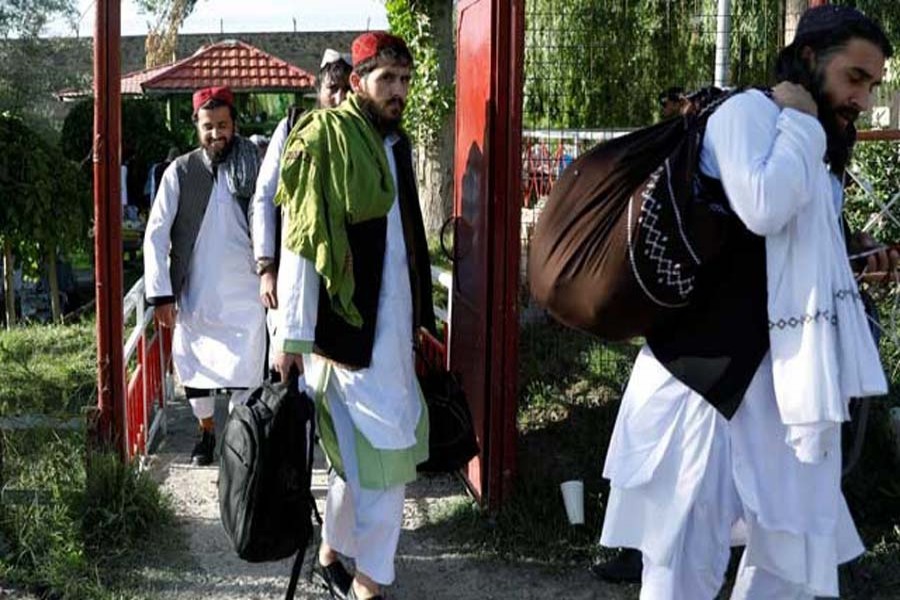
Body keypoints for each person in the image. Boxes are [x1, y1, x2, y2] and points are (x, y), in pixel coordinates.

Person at [598, 6, 895, 599]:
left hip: (785, 389)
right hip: (700, 384)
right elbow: (763, 204)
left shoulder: (816, 139)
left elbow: (795, 241)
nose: (862, 98)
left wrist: (852, 251)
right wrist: (805, 122)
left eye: (872, 84)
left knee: (790, 560)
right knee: (682, 558)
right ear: (810, 59)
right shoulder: (746, 113)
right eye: (855, 78)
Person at [274, 32, 436, 600]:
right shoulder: (323, 141)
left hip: (388, 336)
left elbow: (409, 240)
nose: (399, 92)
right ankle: (370, 584)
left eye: (406, 81)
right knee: (385, 467)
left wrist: (423, 315)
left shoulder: (396, 144)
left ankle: (330, 554)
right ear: (355, 82)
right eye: (387, 80)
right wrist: (290, 339)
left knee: (354, 464)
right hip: (343, 337)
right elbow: (300, 245)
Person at [143, 86, 266, 467]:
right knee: (195, 365)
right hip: (196, 291)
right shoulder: (180, 171)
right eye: (209, 126)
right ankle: (207, 432)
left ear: (235, 124)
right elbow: (156, 232)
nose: (217, 134)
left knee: (248, 367)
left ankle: (238, 437)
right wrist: (161, 296)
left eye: (224, 125)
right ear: (197, 127)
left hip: (248, 291)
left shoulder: (256, 165)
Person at [249, 48, 352, 358]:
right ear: (318, 90)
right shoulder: (293, 127)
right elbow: (265, 196)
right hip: (294, 268)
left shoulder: (364, 136)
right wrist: (267, 266)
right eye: (333, 89)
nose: (340, 99)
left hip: (344, 277)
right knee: (292, 373)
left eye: (348, 89)